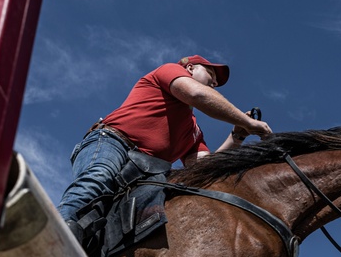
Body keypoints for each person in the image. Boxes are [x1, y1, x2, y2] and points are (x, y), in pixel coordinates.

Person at [57, 55, 273, 230]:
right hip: (113, 142)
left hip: (146, 173)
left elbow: (203, 166)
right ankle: (56, 239)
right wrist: (248, 122)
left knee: (148, 222)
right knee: (99, 178)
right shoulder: (169, 70)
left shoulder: (193, 130)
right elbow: (197, 94)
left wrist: (237, 136)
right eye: (211, 73)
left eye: (216, 81)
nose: (215, 83)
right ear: (189, 68)